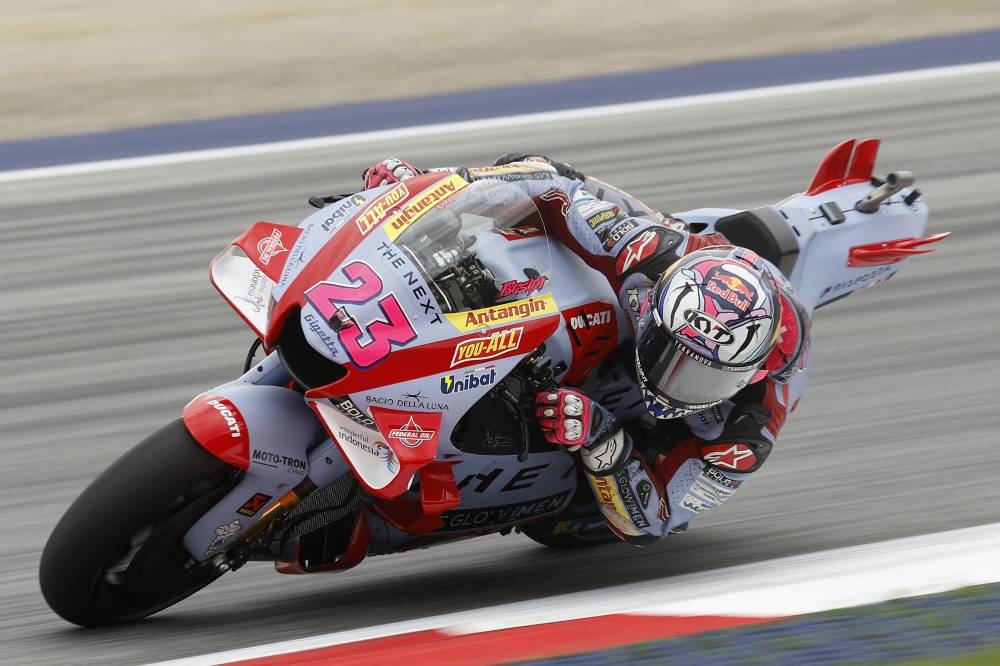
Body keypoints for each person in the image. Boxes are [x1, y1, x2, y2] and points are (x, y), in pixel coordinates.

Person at [360, 155, 811, 545]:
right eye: (667, 353)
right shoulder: (648, 256)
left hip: (632, 439)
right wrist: (425, 191)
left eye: (701, 375)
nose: (672, 383)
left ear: (749, 374)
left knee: (573, 518)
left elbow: (655, 519)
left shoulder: (747, 430)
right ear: (654, 308)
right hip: (686, 250)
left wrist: (602, 439)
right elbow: (551, 189)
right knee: (527, 163)